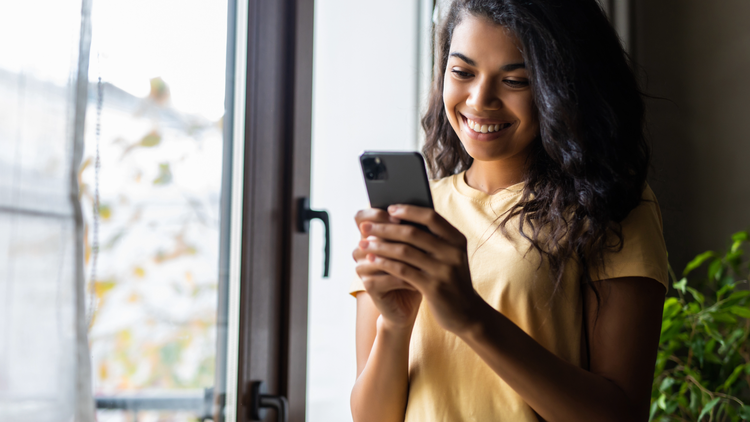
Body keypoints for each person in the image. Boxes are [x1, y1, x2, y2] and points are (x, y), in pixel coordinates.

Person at [349, 0, 669, 421]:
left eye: (516, 80)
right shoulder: (416, 215)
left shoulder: (610, 208)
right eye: (462, 72)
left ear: (564, 87)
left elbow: (621, 415)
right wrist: (394, 324)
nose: (480, 101)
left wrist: (471, 318)